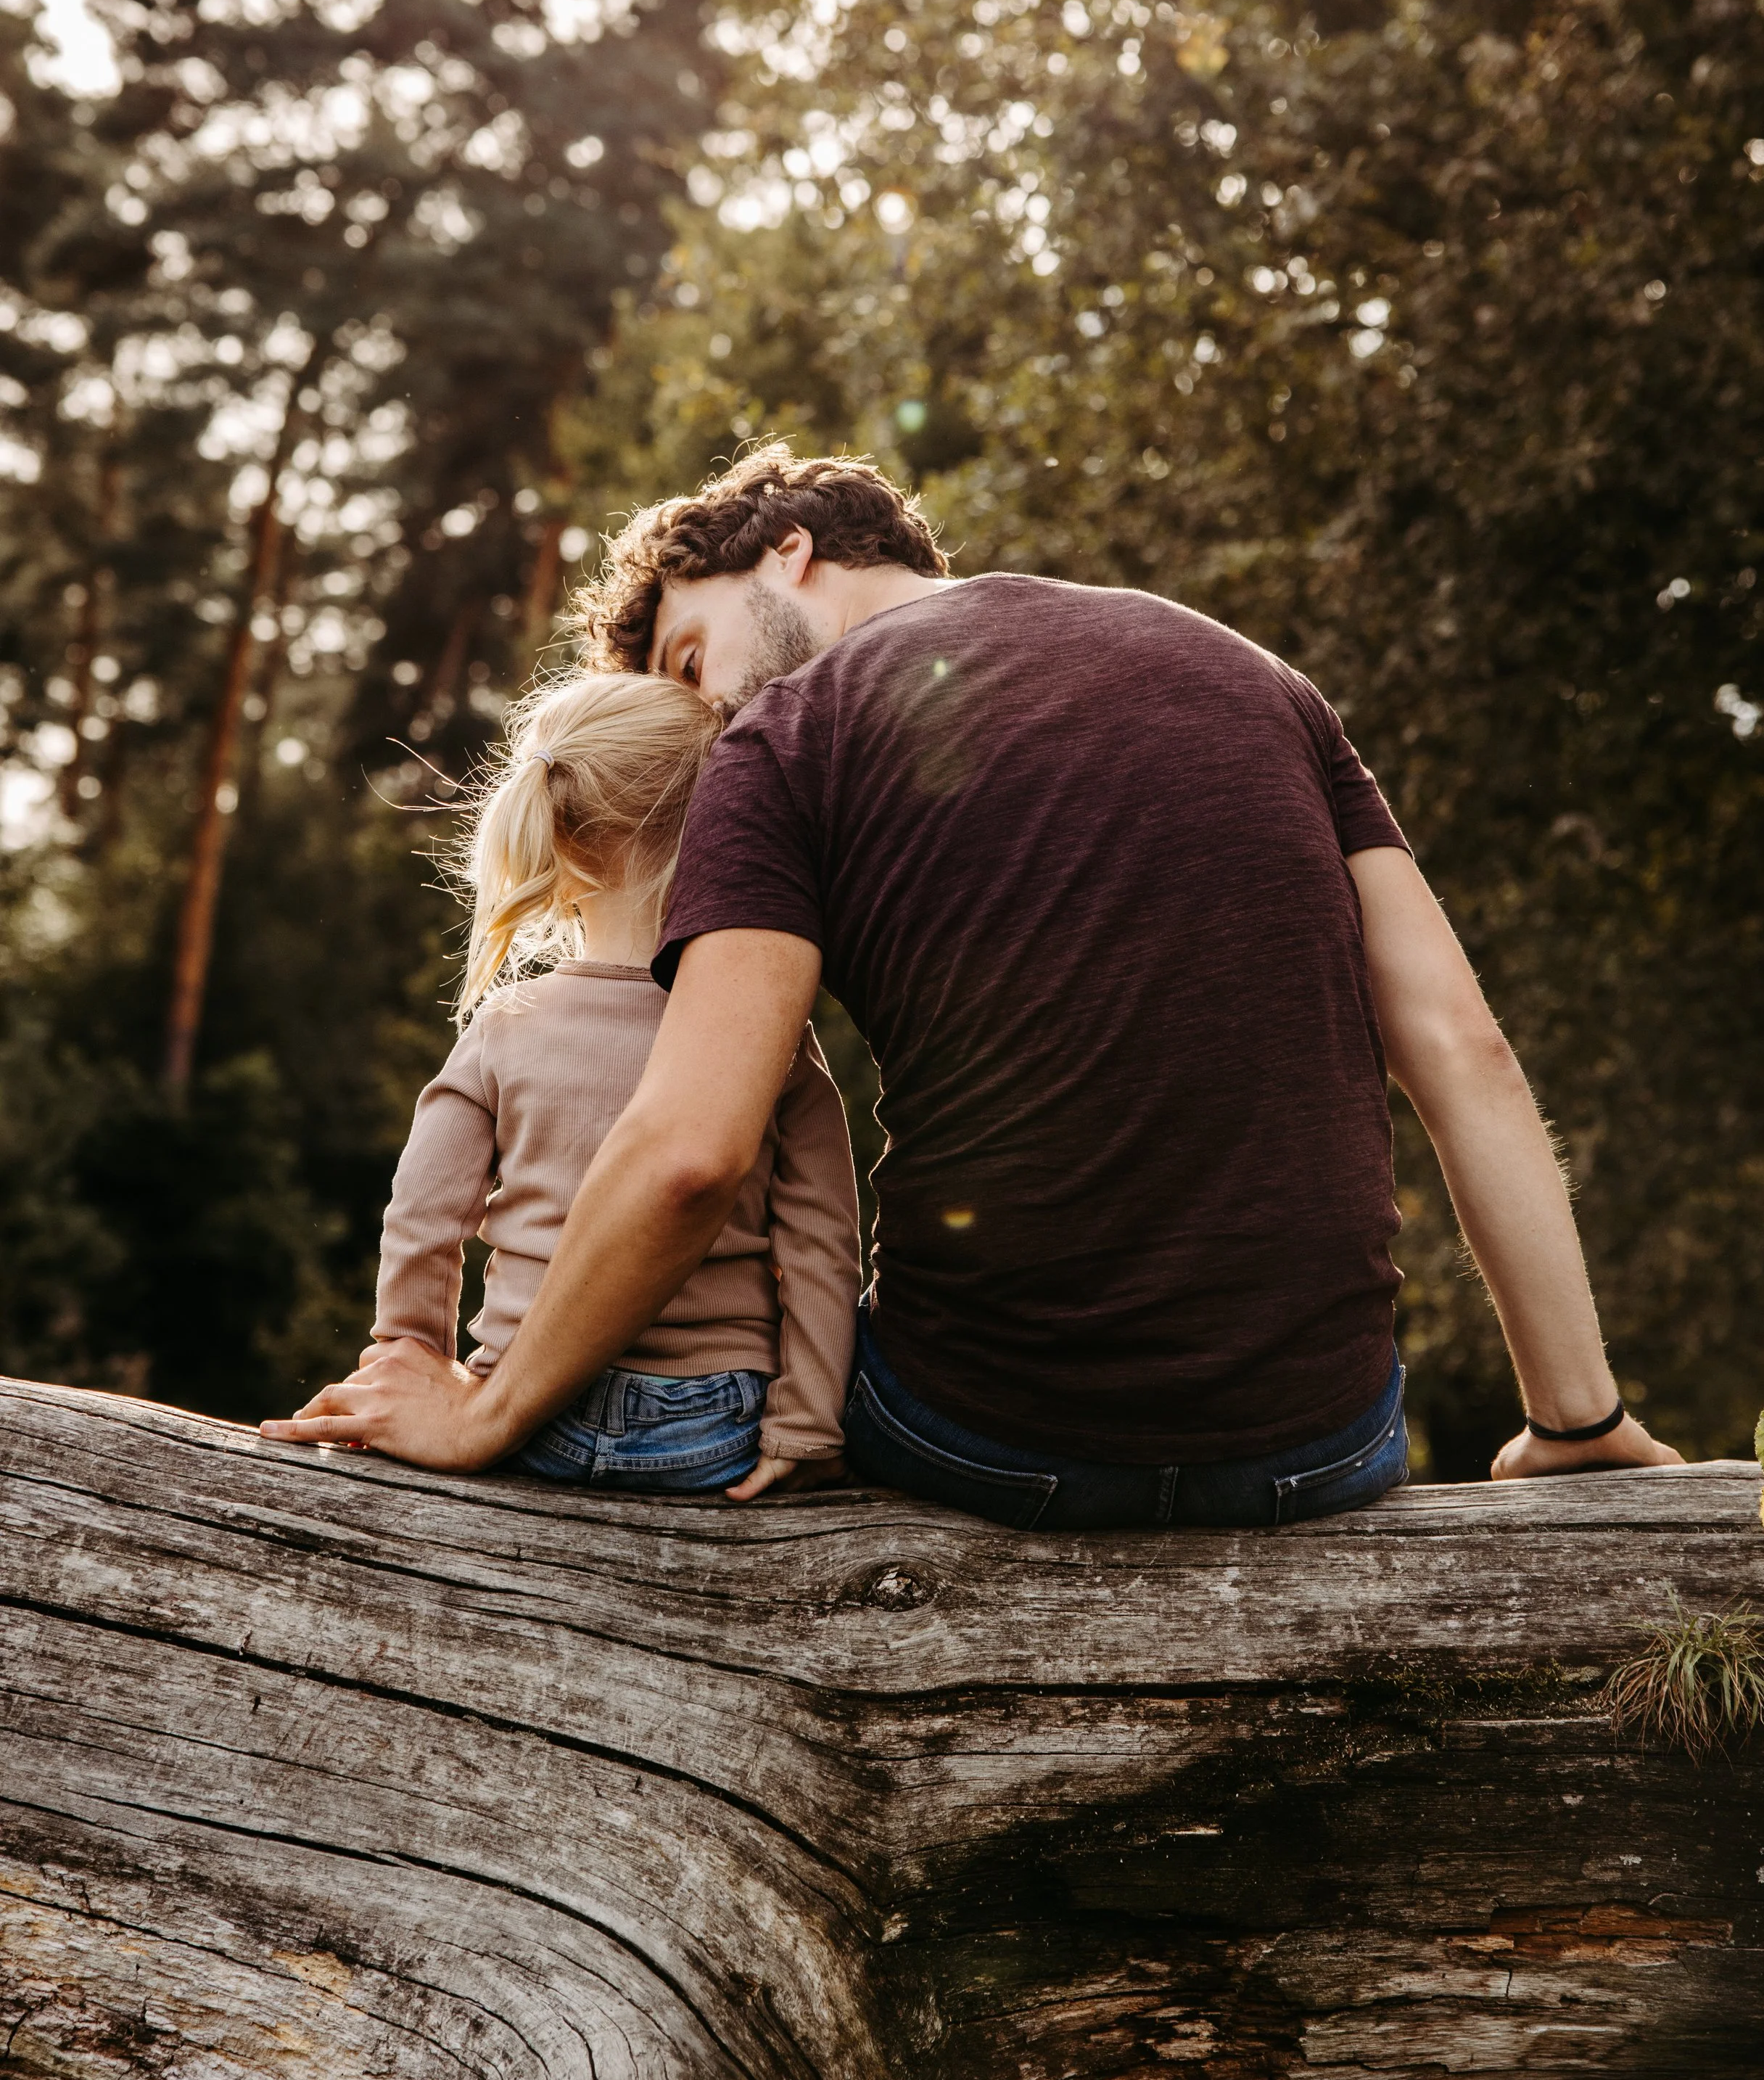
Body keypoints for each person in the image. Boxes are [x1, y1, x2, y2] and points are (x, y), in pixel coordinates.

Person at [265, 445, 1681, 1507]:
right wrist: (1571, 1418)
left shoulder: (782, 741)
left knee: (728, 1391)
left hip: (991, 1441)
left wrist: (486, 1405)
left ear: (789, 550)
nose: (701, 715)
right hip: (1323, 1443)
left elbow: (692, 1150)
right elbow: (1459, 1048)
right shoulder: (1251, 675)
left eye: (690, 654)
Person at [321, 666, 861, 1501]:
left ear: (559, 834)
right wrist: (807, 1421)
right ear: (729, 832)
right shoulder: (769, 1034)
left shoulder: (506, 1026)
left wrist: (412, 1364)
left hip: (529, 1417)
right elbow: (822, 1242)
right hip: (711, 1428)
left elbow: (423, 1216)